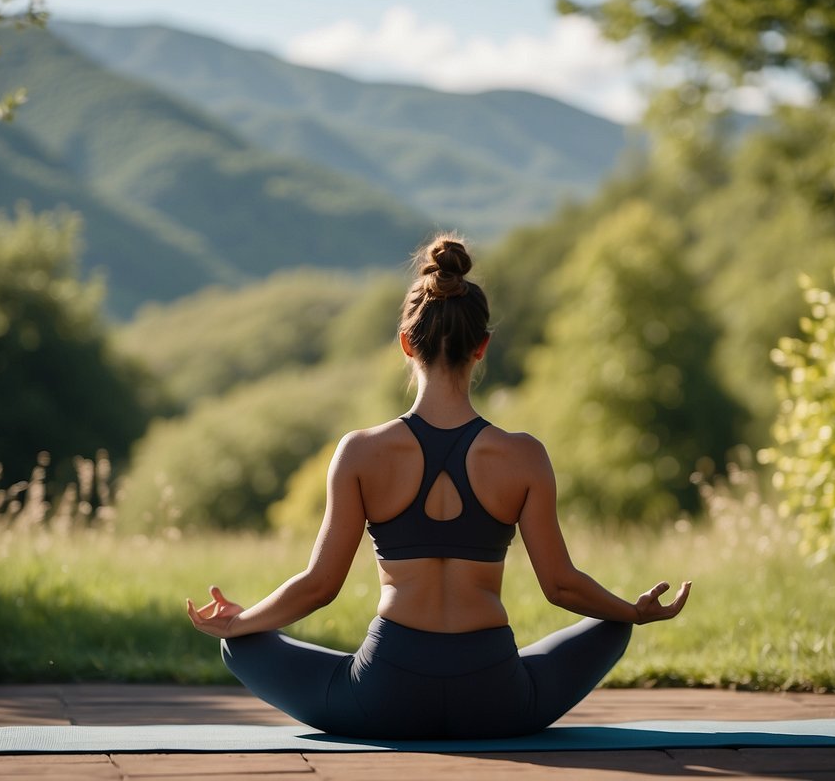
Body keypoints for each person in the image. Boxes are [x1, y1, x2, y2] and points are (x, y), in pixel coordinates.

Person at [187, 234, 691, 740]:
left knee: (241, 644)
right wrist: (632, 611)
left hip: (384, 697)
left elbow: (319, 587)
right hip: (497, 699)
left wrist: (241, 621)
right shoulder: (523, 456)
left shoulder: (360, 452)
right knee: (611, 625)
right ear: (482, 346)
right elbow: (560, 586)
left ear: (407, 343)